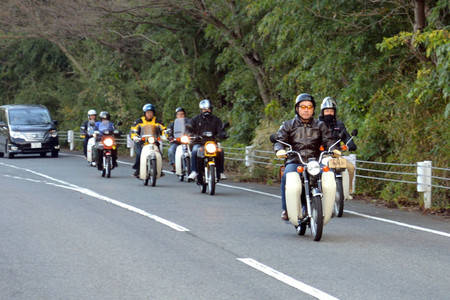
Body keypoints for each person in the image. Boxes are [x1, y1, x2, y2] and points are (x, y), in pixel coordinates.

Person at [274, 93, 335, 220]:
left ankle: (328, 207)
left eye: (309, 107)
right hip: (295, 160)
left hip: (315, 162)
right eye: (303, 107)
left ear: (313, 109)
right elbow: (280, 140)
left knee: (329, 176)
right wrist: (279, 149)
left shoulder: (320, 125)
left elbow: (329, 140)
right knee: (286, 176)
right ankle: (286, 209)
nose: (306, 110)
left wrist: (334, 149)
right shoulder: (288, 125)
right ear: (297, 108)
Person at [319, 97, 356, 195]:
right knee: (315, 171)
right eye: (327, 111)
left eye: (331, 111)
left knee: (351, 168)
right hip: (320, 156)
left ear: (334, 112)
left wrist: (350, 144)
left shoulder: (339, 124)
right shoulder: (317, 124)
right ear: (322, 112)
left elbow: (346, 136)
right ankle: (317, 189)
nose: (329, 113)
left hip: (335, 155)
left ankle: (348, 190)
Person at [187, 99, 227, 181]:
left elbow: (221, 129)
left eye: (208, 109)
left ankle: (220, 172)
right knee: (195, 151)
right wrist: (192, 135)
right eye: (204, 109)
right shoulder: (195, 119)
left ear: (211, 109)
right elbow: (189, 128)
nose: (206, 110)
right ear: (201, 110)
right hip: (199, 143)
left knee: (220, 151)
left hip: (212, 143)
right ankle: (194, 171)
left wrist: (222, 134)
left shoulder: (216, 120)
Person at [130, 103, 166, 177]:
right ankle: (138, 170)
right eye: (148, 112)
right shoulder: (139, 121)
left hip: (154, 141)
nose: (149, 114)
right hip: (141, 141)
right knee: (139, 154)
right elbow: (133, 130)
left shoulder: (157, 121)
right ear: (145, 113)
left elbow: (163, 129)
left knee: (159, 154)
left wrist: (165, 135)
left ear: (153, 113)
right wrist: (135, 137)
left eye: (151, 112)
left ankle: (159, 169)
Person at [167, 107, 189, 173]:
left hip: (187, 142)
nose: (180, 116)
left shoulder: (189, 122)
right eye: (179, 114)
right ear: (176, 115)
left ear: (184, 115)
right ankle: (174, 165)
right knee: (171, 150)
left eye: (182, 114)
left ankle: (194, 167)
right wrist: (170, 137)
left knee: (194, 151)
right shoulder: (173, 123)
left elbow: (193, 129)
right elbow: (169, 130)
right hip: (176, 142)